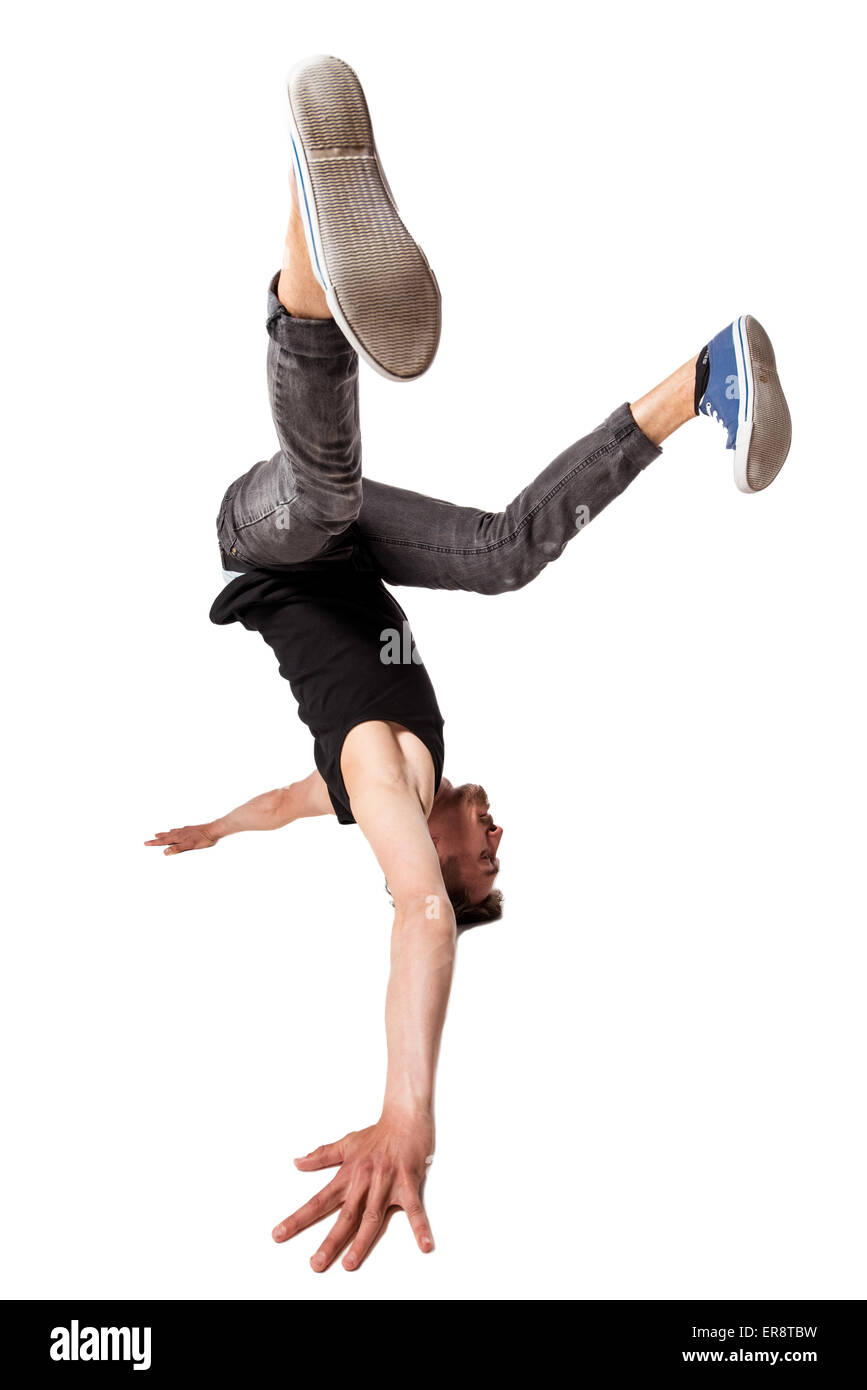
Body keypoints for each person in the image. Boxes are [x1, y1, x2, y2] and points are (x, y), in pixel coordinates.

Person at [145, 55, 791, 1272]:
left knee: (322, 482)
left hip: (272, 533)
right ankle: (706, 374)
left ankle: (307, 205)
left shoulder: (386, 777)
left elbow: (415, 913)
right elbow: (293, 807)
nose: (496, 840)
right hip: (347, 542)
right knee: (502, 554)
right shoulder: (374, 778)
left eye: (482, 865)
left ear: (435, 855)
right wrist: (219, 831)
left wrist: (409, 1111)